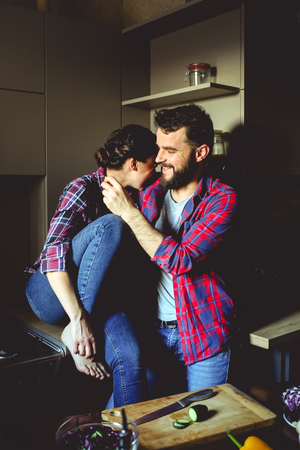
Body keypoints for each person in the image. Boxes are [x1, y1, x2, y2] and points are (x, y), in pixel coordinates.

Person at [101, 104, 239, 397]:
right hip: (151, 333)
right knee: (136, 421)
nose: (160, 158)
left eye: (170, 150)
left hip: (204, 335)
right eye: (158, 148)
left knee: (204, 428)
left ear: (200, 153)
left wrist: (129, 213)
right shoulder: (150, 193)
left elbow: (180, 259)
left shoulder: (221, 200)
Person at [25, 124, 158, 407]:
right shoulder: (83, 187)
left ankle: (125, 439)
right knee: (111, 225)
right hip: (50, 295)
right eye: (152, 163)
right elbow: (52, 253)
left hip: (102, 301)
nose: (156, 169)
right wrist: (77, 319)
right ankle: (74, 329)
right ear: (133, 163)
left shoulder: (141, 199)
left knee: (131, 358)